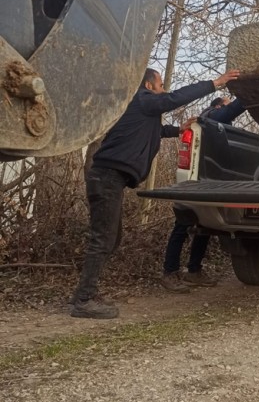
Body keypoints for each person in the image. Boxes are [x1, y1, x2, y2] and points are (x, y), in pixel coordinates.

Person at [70, 67, 240, 319]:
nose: (163, 90)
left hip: (109, 178)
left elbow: (155, 131)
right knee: (102, 239)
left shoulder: (137, 109)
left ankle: (86, 292)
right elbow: (173, 99)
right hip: (107, 177)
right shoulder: (141, 98)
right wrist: (215, 83)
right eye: (160, 85)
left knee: (111, 238)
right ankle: (83, 299)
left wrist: (178, 130)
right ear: (149, 86)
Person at [162, 95, 246, 291]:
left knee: (204, 227)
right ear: (216, 106)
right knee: (182, 226)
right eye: (225, 104)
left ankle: (194, 271)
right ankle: (170, 272)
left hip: (206, 184)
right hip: (196, 183)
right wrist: (246, 96)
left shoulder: (212, 128)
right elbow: (230, 111)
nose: (228, 109)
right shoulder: (211, 117)